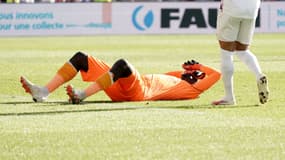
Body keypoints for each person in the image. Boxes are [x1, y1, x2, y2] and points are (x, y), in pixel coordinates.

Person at [20, 52, 221, 104]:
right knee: (81, 58)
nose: (190, 73)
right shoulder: (178, 77)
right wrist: (189, 69)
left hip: (138, 92)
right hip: (123, 86)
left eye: (195, 75)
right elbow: (186, 72)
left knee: (123, 64)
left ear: (196, 81)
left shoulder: (192, 89)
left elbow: (216, 74)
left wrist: (199, 67)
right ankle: (43, 91)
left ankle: (81, 95)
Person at [212, 0, 269, 105]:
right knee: (242, 50)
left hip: (232, 7)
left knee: (226, 53)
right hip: (252, 9)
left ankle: (229, 97)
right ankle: (259, 75)